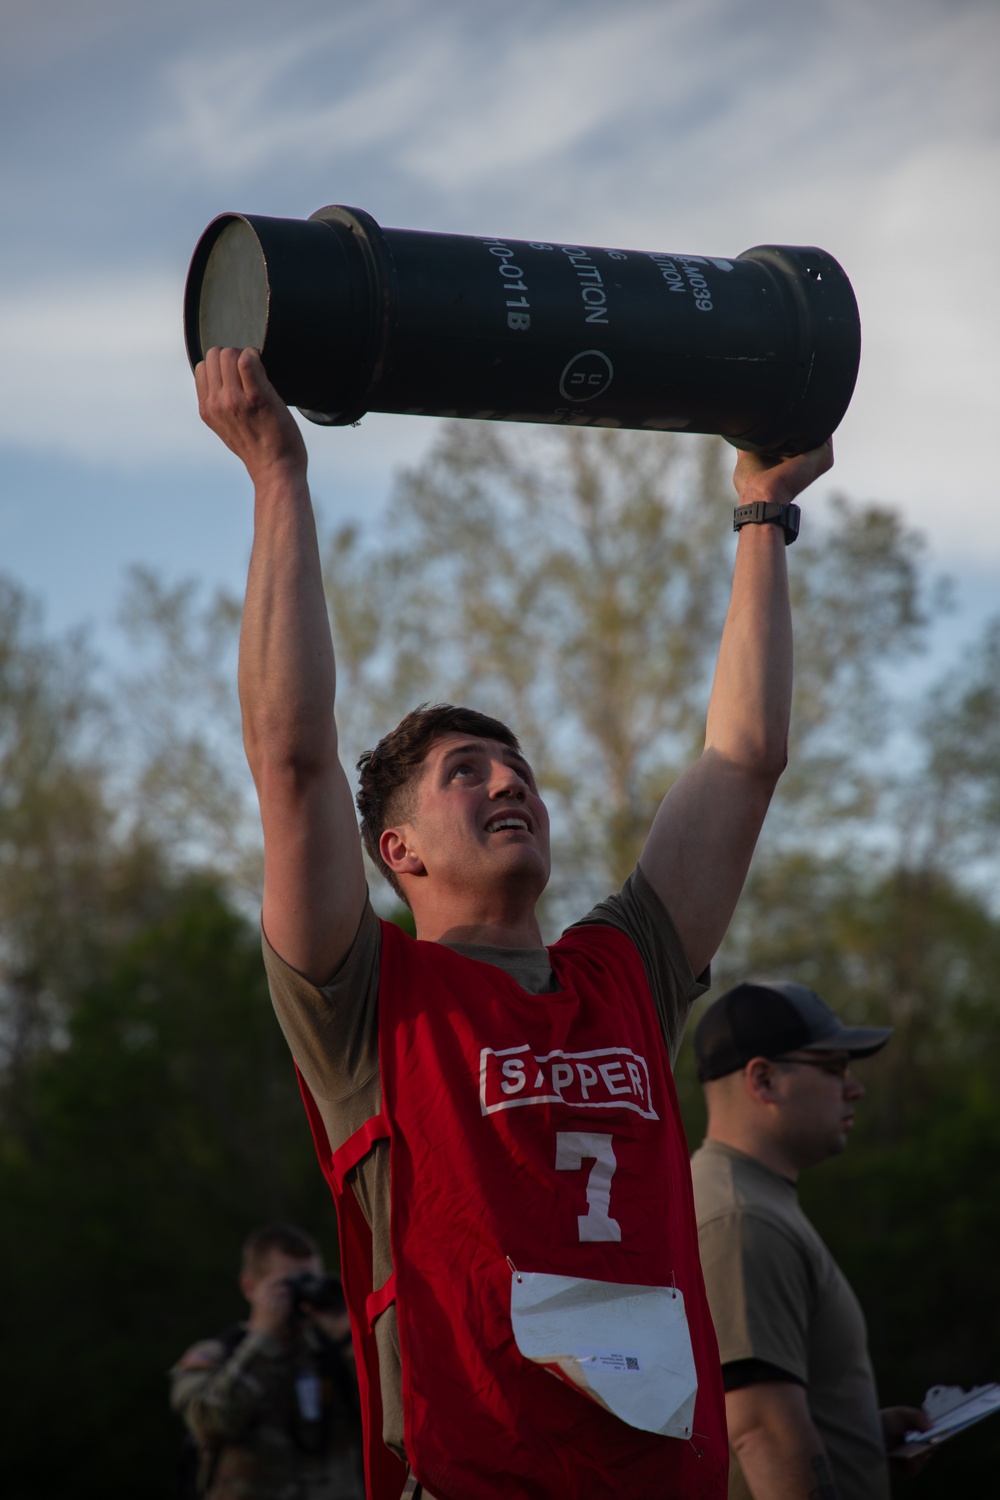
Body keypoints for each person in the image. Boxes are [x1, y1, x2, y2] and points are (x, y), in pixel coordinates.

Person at [194, 344, 832, 1500]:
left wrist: (760, 511)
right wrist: (277, 473)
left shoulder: (623, 970)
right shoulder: (366, 999)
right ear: (398, 852)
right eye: (465, 770)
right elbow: (291, 760)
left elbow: (743, 759)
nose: (508, 783)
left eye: (518, 766)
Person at [690, 980, 931, 1499]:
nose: (855, 1087)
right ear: (764, 1079)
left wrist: (860, 1433)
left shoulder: (750, 1197)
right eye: (833, 1068)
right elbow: (762, 1433)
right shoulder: (741, 1216)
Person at [170, 1223, 364, 1500]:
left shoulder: (331, 1354)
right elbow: (210, 1423)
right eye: (290, 1285)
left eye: (312, 1281)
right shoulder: (216, 1355)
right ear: (249, 1287)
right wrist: (262, 1341)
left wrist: (347, 1337)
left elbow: (393, 1415)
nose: (302, 1295)